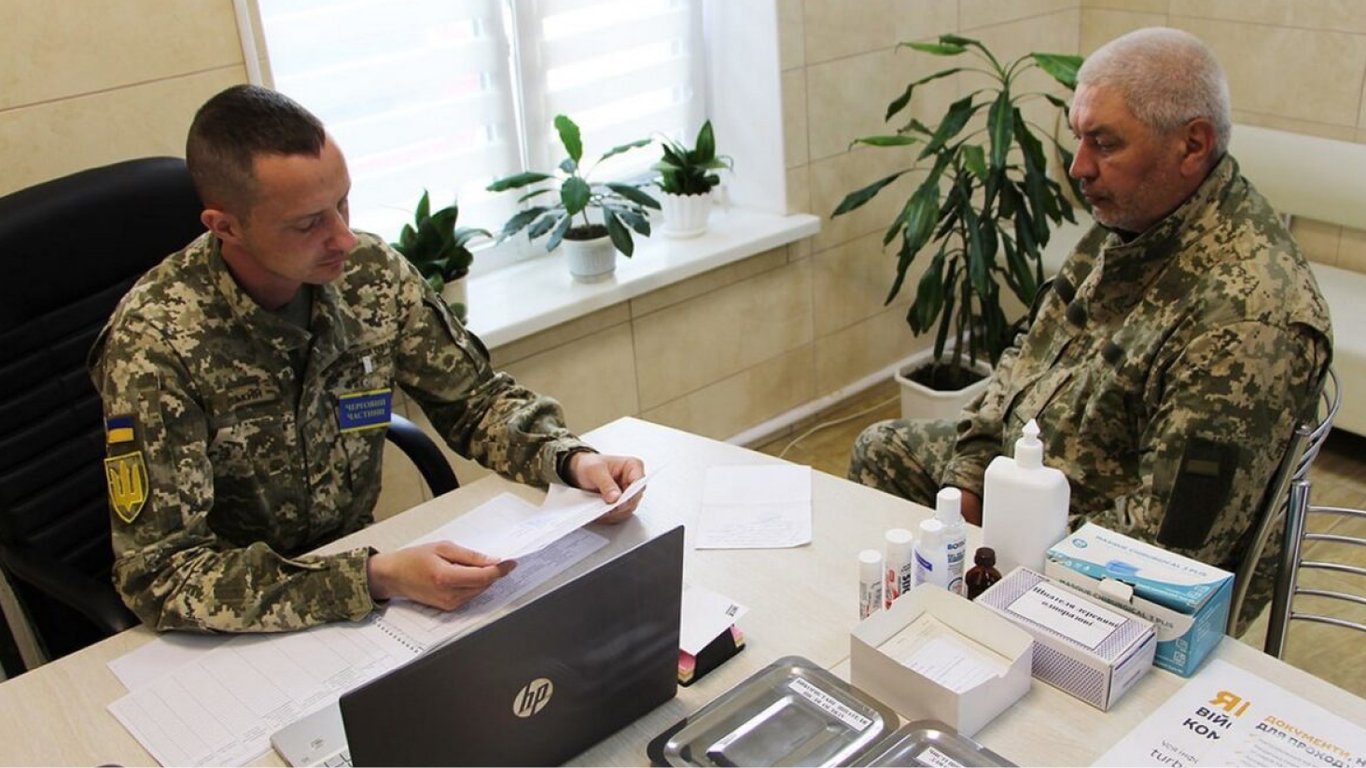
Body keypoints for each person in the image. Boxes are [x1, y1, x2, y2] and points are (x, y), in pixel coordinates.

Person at [91, 85, 645, 634]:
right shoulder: (155, 344)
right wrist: (371, 577)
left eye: (343, 203)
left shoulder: (368, 275)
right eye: (308, 223)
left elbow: (474, 400)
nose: (344, 239)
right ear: (225, 227)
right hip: (239, 623)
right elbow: (162, 575)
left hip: (366, 590)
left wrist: (569, 460)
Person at [848, 28, 1332, 629]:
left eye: (1104, 143)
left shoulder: (1248, 318)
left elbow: (1167, 548)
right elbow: (1029, 352)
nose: (1079, 167)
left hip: (1108, 558)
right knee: (884, 452)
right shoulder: (1135, 219)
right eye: (1079, 138)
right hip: (1038, 473)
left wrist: (1005, 544)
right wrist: (971, 477)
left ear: (1192, 145)